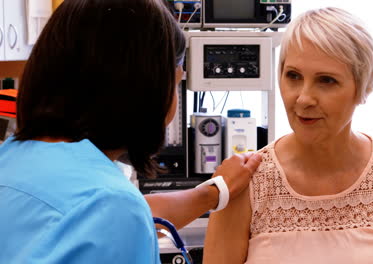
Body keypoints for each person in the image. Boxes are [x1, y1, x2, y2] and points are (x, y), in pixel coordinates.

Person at [0, 0, 262, 263]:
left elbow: (107, 215)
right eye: (177, 80)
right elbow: (114, 213)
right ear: (147, 88)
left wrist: (213, 193)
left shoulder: (12, 159)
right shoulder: (111, 205)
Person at [203, 7, 373, 264]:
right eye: (293, 76)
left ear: (363, 87)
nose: (304, 98)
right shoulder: (244, 186)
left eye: (327, 81)